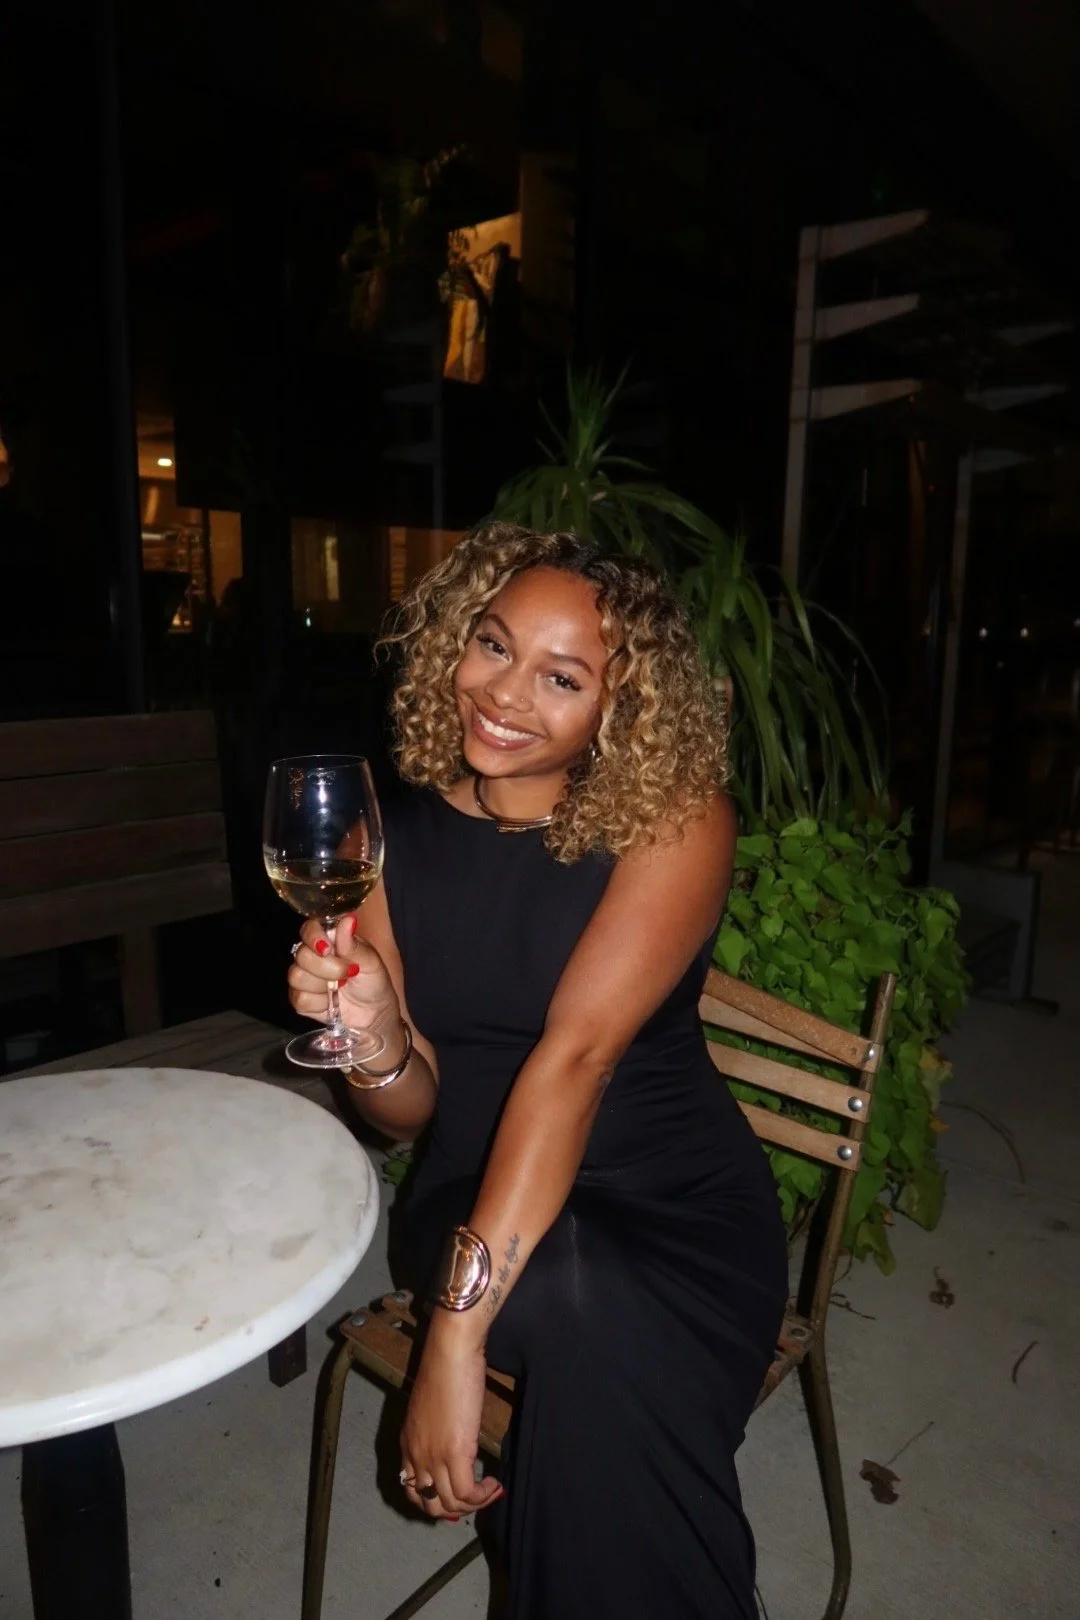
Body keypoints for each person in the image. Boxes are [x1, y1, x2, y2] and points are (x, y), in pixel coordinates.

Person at [287, 524, 787, 1619]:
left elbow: (576, 1060)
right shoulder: (389, 840)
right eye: (492, 645)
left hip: (680, 1205)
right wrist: (374, 1034)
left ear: (623, 710)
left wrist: (453, 1340)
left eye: (560, 677)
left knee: (594, 1325)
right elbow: (407, 1112)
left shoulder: (674, 820)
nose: (503, 695)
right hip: (479, 1196)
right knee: (581, 1301)